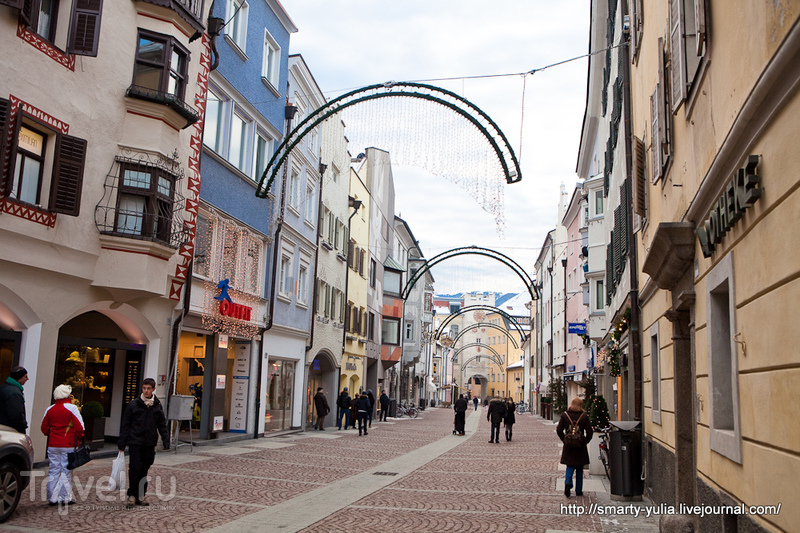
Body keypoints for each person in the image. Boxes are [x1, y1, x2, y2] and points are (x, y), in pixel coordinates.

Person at [118, 378, 170, 507]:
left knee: (144, 469)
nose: (146, 391)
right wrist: (122, 443)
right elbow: (126, 425)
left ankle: (140, 495)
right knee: (135, 468)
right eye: (144, 388)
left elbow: (161, 425)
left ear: (153, 389)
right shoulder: (134, 405)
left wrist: (165, 439)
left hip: (149, 442)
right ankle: (131, 495)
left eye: (148, 388)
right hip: (135, 441)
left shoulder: (157, 405)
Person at [41, 384, 84, 505]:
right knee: (66, 470)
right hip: (68, 443)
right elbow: (80, 428)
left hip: (53, 444)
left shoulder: (50, 409)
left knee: (53, 470)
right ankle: (65, 497)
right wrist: (79, 437)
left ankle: (52, 497)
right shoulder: (72, 408)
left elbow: (44, 428)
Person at [556, 397, 593, 497]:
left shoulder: (565, 415)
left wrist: (564, 439)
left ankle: (568, 482)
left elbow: (559, 429)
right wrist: (585, 441)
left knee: (570, 465)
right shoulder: (584, 416)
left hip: (569, 445)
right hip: (580, 445)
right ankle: (578, 490)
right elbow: (590, 432)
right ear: (581, 405)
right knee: (580, 468)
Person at [0, 366, 29, 434]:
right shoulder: (14, 393)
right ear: (19, 377)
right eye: (25, 376)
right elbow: (16, 415)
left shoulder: (3, 387)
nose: (27, 379)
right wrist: (23, 425)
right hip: (10, 431)